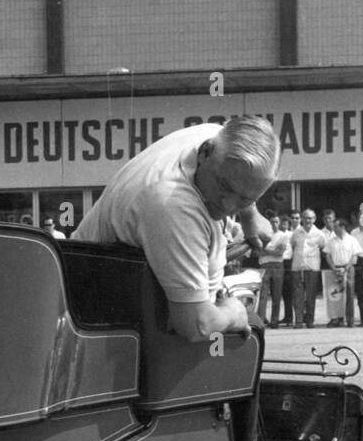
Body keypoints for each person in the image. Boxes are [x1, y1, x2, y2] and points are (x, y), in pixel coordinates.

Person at [73, 114, 280, 341]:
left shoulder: (213, 136)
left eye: (245, 198)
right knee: (253, 324)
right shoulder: (174, 206)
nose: (229, 205)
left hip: (100, 283)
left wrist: (250, 215)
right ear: (204, 154)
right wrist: (235, 313)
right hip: (99, 318)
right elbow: (196, 325)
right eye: (224, 186)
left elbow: (239, 180)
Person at [289, 208, 326, 328]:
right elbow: (293, 245)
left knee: (311, 296)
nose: (307, 220)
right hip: (297, 267)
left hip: (312, 267)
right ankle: (298, 321)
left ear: (314, 219)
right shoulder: (296, 232)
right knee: (298, 296)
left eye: (310, 218)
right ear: (302, 219)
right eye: (305, 217)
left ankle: (310, 321)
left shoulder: (319, 234)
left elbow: (323, 247)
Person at [255, 211, 290, 328]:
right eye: (272, 222)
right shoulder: (262, 235)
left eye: (276, 222)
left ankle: (274, 320)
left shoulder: (283, 235)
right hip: (264, 266)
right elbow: (256, 252)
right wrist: (271, 251)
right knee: (263, 295)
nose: (274, 224)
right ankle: (260, 320)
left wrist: (266, 251)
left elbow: (280, 252)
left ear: (279, 223)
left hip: (277, 266)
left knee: (276, 294)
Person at [323, 218, 358, 327]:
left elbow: (355, 257)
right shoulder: (331, 241)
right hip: (335, 269)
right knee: (336, 295)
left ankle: (350, 320)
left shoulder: (352, 240)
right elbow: (327, 255)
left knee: (349, 295)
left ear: (342, 227)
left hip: (348, 269)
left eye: (336, 227)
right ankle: (336, 319)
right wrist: (333, 268)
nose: (334, 229)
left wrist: (346, 268)